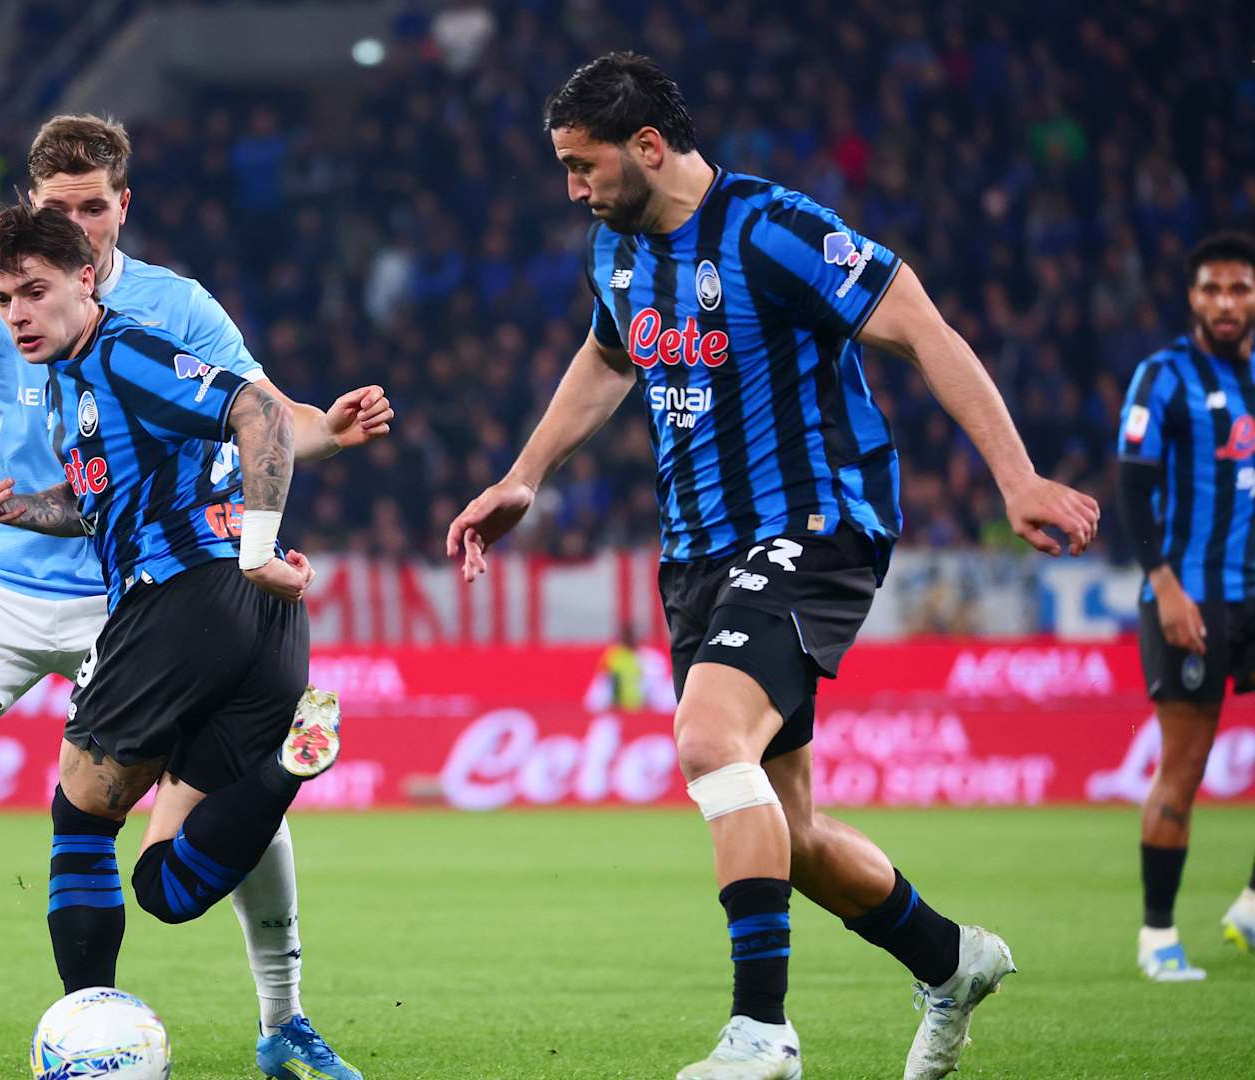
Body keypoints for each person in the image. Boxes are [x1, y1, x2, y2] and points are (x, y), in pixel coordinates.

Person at [444, 52, 1100, 1080]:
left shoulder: (773, 229)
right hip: (696, 554)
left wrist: (1015, 478)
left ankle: (762, 1033)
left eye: (582, 165)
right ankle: (950, 960)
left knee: (708, 740)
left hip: (813, 525)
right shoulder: (614, 251)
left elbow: (920, 326)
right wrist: (525, 475)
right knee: (784, 832)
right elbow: (610, 356)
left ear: (648, 147)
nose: (572, 189)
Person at [0, 118, 384, 1080]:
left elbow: (269, 414)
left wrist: (329, 430)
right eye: (58, 211)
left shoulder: (165, 309)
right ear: (31, 209)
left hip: (137, 592)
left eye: (94, 209)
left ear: (121, 207)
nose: (78, 229)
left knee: (200, 801)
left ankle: (284, 1019)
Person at [0, 200, 342, 1046]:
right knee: (165, 884)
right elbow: (104, 498)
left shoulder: (123, 350)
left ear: (86, 280)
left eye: (34, 291)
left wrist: (257, 547)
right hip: (270, 628)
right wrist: (20, 509)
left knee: (81, 816)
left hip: (184, 600)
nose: (18, 314)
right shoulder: (68, 384)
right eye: (2, 299)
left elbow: (260, 411)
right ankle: (288, 766)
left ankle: (87, 1038)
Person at [1115, 230, 1255, 981]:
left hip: (1252, 591)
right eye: (1213, 289)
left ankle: (1251, 907)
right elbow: (1132, 489)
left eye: (1239, 289)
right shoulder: (1164, 376)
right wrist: (1165, 585)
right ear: (1192, 298)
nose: (1226, 303)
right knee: (1186, 765)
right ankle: (1157, 934)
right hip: (1190, 598)